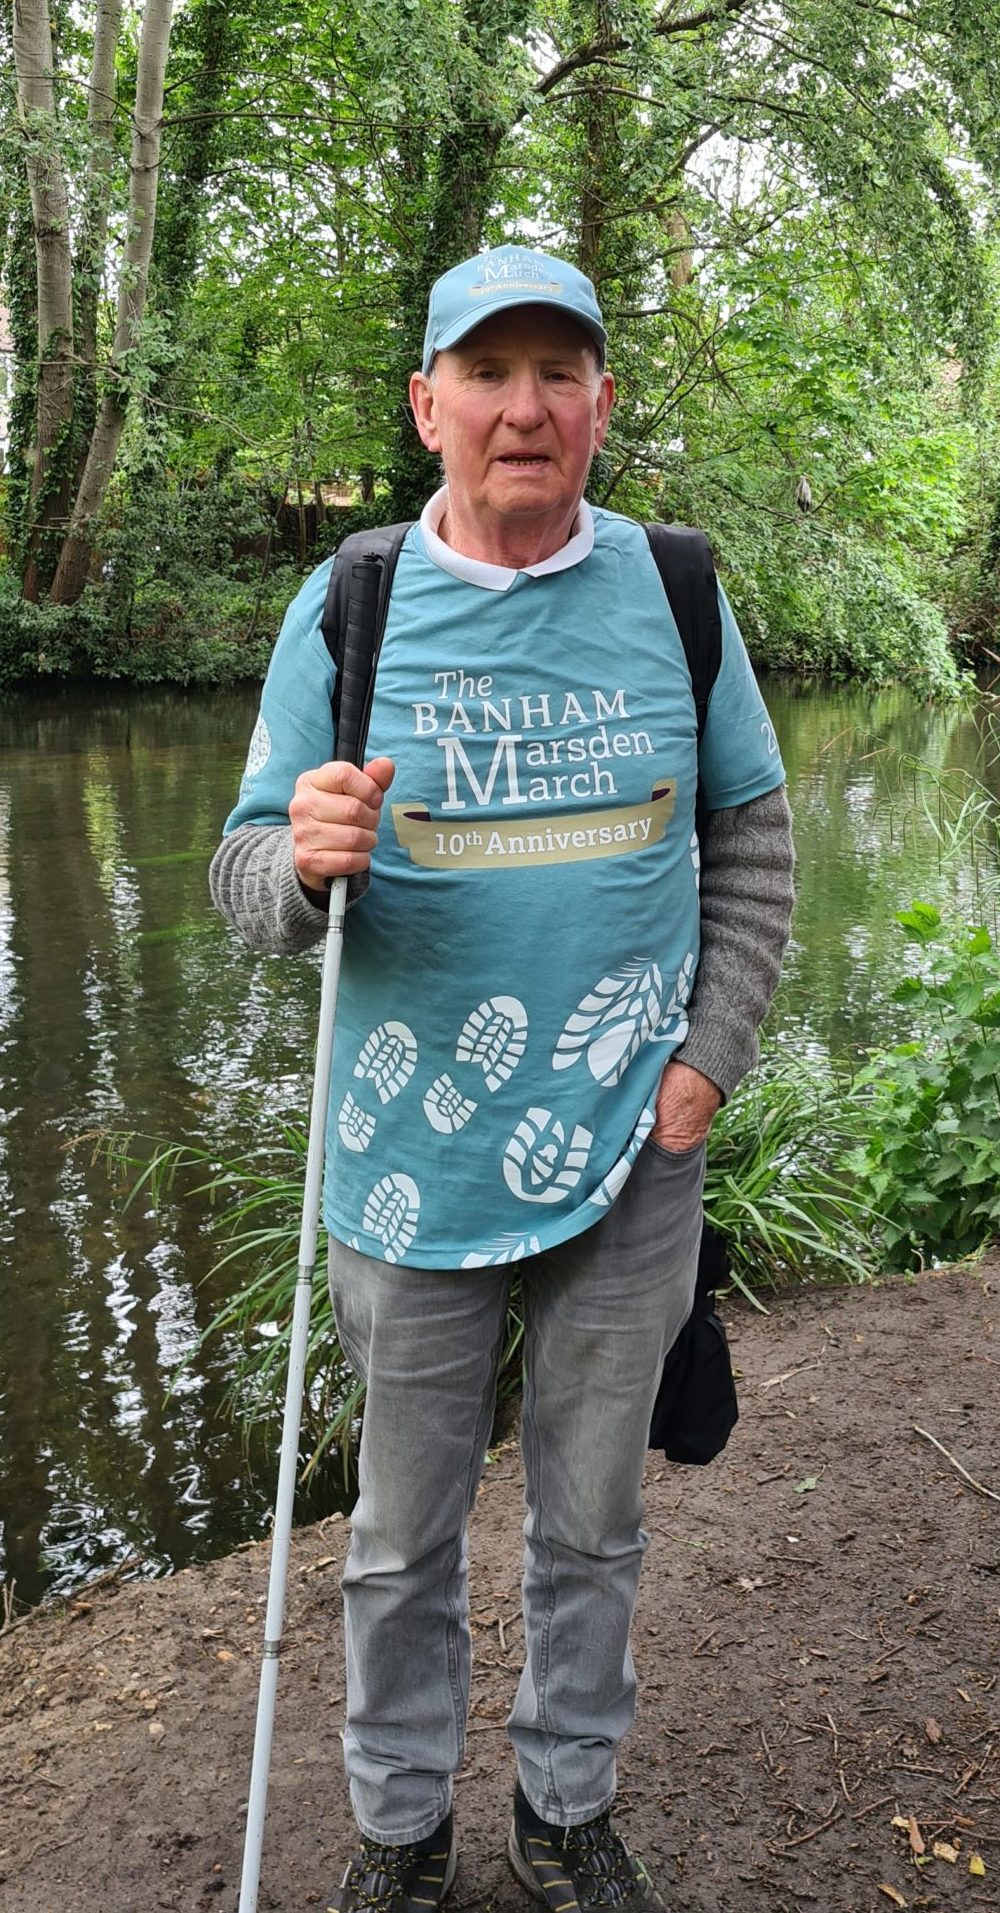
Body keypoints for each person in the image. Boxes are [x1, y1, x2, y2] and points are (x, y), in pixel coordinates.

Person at [210, 243, 795, 1912]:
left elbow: (752, 837)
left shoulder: (678, 589)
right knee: (396, 1542)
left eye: (559, 373)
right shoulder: (353, 603)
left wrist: (707, 1062)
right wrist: (302, 864)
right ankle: (400, 1830)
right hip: (409, 1166)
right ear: (428, 406)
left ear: (601, 405)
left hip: (634, 1157)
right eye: (488, 372)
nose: (523, 407)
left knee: (594, 1525)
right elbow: (248, 883)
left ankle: (562, 1804)